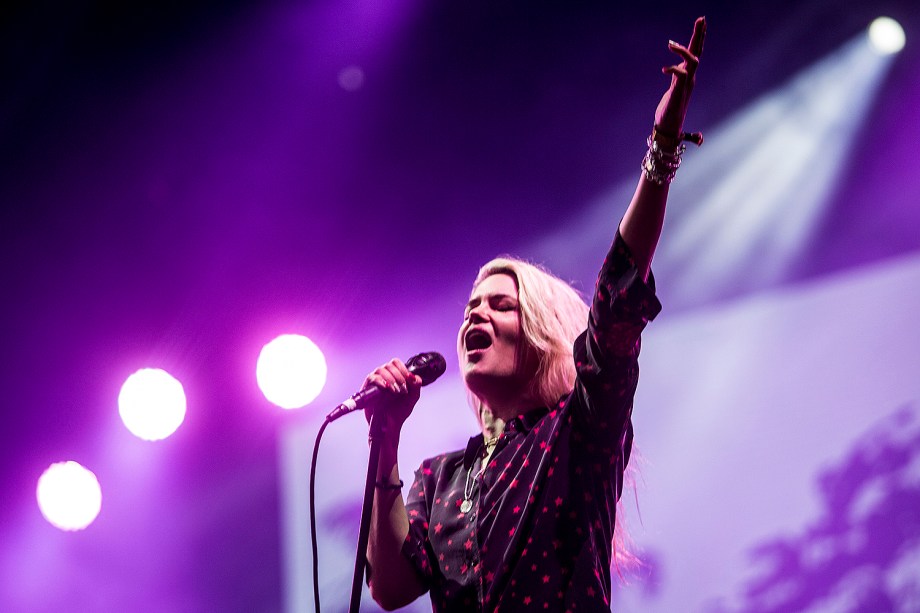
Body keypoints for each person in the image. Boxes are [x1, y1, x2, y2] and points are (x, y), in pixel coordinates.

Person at [362, 17, 707, 612]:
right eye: (471, 307)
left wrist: (661, 152)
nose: (477, 316)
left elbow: (617, 296)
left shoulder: (578, 430)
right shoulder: (439, 478)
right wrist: (385, 439)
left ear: (544, 335)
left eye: (502, 305)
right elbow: (390, 588)